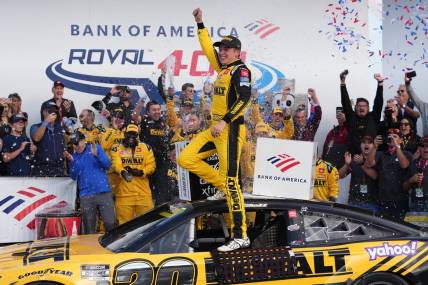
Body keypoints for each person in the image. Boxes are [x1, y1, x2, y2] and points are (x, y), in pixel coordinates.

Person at [177, 8, 252, 252]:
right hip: (215, 129)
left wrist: (224, 121)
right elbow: (207, 47)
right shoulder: (222, 69)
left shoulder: (241, 70)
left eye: (227, 49)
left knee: (233, 183)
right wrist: (200, 23)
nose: (222, 52)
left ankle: (240, 235)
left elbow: (245, 99)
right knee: (185, 158)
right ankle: (222, 186)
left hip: (229, 130)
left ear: (237, 52)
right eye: (222, 49)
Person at [64, 131, 116, 234]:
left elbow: (107, 165)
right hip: (86, 196)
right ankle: (91, 249)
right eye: (73, 144)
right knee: (89, 228)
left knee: (110, 223)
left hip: (103, 191)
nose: (75, 146)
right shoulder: (74, 156)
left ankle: (112, 247)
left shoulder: (95, 147)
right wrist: (72, 161)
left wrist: (97, 155)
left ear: (83, 141)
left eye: (77, 142)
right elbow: (73, 176)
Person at [111, 124, 156, 225]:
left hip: (143, 194)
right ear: (124, 134)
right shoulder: (116, 148)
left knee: (147, 225)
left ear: (138, 135)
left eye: (134, 134)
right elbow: (116, 164)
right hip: (124, 195)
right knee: (124, 227)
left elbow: (152, 166)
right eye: (129, 134)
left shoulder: (146, 148)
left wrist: (141, 172)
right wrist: (123, 172)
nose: (131, 137)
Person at [367, 128, 412, 220]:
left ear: (400, 140)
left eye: (395, 137)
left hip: (400, 200)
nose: (392, 139)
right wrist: (374, 147)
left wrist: (397, 146)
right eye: (389, 137)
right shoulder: (381, 154)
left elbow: (404, 165)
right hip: (384, 200)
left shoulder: (407, 154)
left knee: (402, 228)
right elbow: (369, 163)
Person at [340, 71, 384, 154]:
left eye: (364, 106)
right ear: (355, 108)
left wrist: (380, 84)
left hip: (370, 159)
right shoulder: (351, 117)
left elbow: (378, 102)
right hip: (353, 158)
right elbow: (345, 102)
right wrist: (342, 83)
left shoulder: (373, 117)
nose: (361, 107)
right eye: (359, 106)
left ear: (368, 108)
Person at [138, 100, 171, 205]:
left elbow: (167, 139)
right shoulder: (144, 121)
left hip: (162, 163)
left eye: (158, 109)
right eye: (154, 110)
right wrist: (139, 106)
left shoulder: (163, 122)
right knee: (147, 192)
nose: (157, 112)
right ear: (148, 112)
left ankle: (162, 216)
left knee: (163, 192)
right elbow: (134, 118)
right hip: (148, 162)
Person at [339, 136, 379, 212]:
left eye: (369, 143)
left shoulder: (377, 158)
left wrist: (362, 162)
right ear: (360, 145)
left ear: (373, 146)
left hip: (371, 203)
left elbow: (375, 176)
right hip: (354, 202)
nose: (366, 145)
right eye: (364, 142)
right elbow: (340, 176)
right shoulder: (355, 159)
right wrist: (347, 164)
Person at [30, 101, 66, 176]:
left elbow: (63, 150)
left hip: (59, 170)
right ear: (44, 112)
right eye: (50, 111)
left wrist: (65, 170)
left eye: (55, 111)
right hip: (42, 170)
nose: (53, 113)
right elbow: (36, 138)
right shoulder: (35, 127)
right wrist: (46, 121)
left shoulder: (60, 129)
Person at [100, 108, 126, 194]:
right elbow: (104, 145)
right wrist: (114, 129)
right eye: (116, 116)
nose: (118, 119)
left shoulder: (128, 132)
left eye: (121, 117)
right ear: (112, 118)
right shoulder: (105, 130)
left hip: (124, 172)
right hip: (110, 173)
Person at [404, 136, 428, 212]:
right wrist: (410, 180)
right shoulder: (413, 164)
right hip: (415, 205)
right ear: (419, 148)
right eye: (422, 146)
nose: (426, 148)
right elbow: (404, 188)